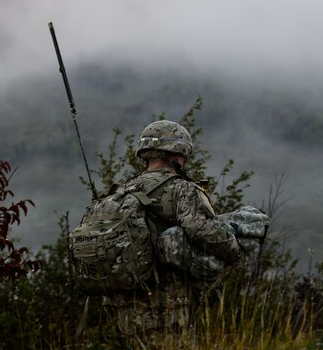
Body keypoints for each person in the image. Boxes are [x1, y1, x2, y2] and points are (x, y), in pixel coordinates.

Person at [102, 120, 266, 334]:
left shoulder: (121, 191)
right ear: (176, 153)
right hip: (167, 300)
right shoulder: (182, 188)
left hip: (124, 302)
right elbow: (203, 230)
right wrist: (233, 248)